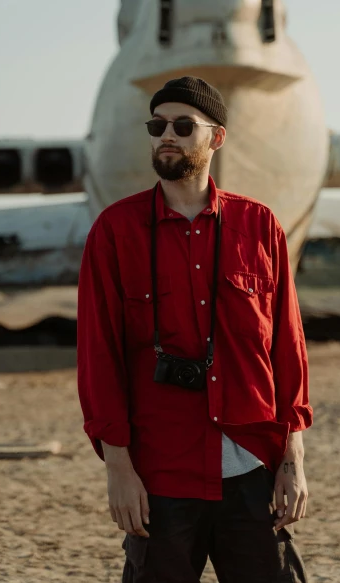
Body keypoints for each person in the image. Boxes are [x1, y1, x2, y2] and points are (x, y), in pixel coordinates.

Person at [77, 76, 312, 583]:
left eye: (184, 126)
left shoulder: (260, 226)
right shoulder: (115, 232)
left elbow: (287, 347)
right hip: (159, 472)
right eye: (157, 124)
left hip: (252, 469)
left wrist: (292, 456)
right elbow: (99, 356)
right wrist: (118, 468)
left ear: (216, 138)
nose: (167, 135)